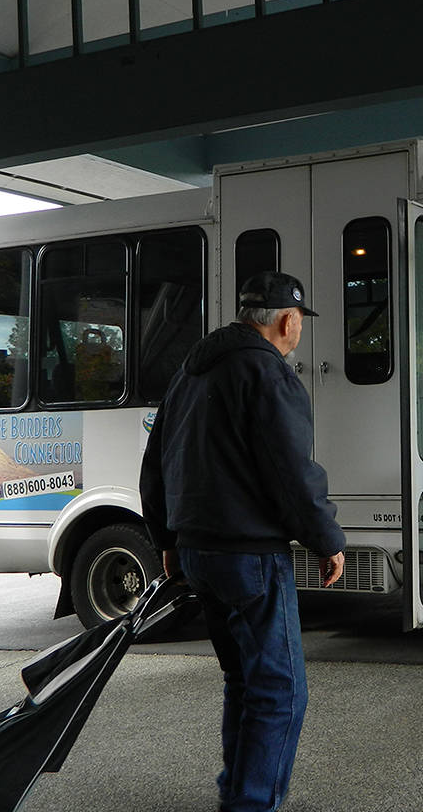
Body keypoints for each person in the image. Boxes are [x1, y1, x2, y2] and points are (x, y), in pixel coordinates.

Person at [140, 270, 346, 812]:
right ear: (286, 321)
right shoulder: (268, 375)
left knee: (243, 678)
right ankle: (251, 804)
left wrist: (166, 536)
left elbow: (156, 460)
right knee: (280, 692)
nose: (298, 330)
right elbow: (291, 471)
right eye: (298, 321)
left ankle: (236, 789)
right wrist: (327, 539)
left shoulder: (191, 372)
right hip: (249, 555)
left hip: (197, 552)